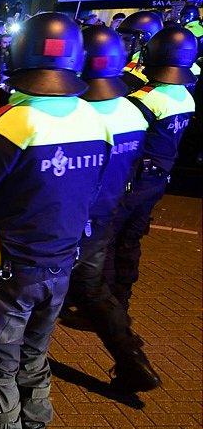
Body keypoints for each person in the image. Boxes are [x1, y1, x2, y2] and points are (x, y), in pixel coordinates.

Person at [0, 12, 113, 429]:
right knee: (35, 358)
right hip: (60, 265)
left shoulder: (8, 126)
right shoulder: (95, 119)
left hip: (9, 271)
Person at [59, 25, 157, 393]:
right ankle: (132, 359)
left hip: (66, 219)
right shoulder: (134, 112)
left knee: (27, 299)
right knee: (95, 291)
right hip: (104, 218)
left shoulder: (75, 114)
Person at [104, 26, 197, 367]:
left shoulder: (145, 100)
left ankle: (107, 309)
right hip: (158, 181)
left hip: (133, 181)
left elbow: (126, 139)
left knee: (108, 242)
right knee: (131, 241)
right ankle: (122, 301)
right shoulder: (185, 95)